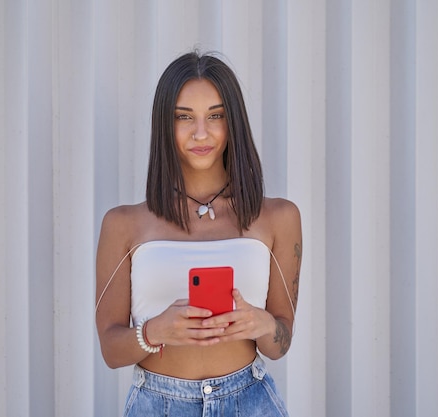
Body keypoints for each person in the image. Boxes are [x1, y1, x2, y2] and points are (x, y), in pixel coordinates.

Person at [95, 51, 302, 417]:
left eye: (216, 116)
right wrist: (155, 331)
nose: (201, 133)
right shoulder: (123, 225)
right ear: (165, 124)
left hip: (250, 401)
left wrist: (261, 323)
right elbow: (111, 350)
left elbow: (279, 343)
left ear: (232, 122)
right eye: (184, 117)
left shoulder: (278, 218)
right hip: (156, 404)